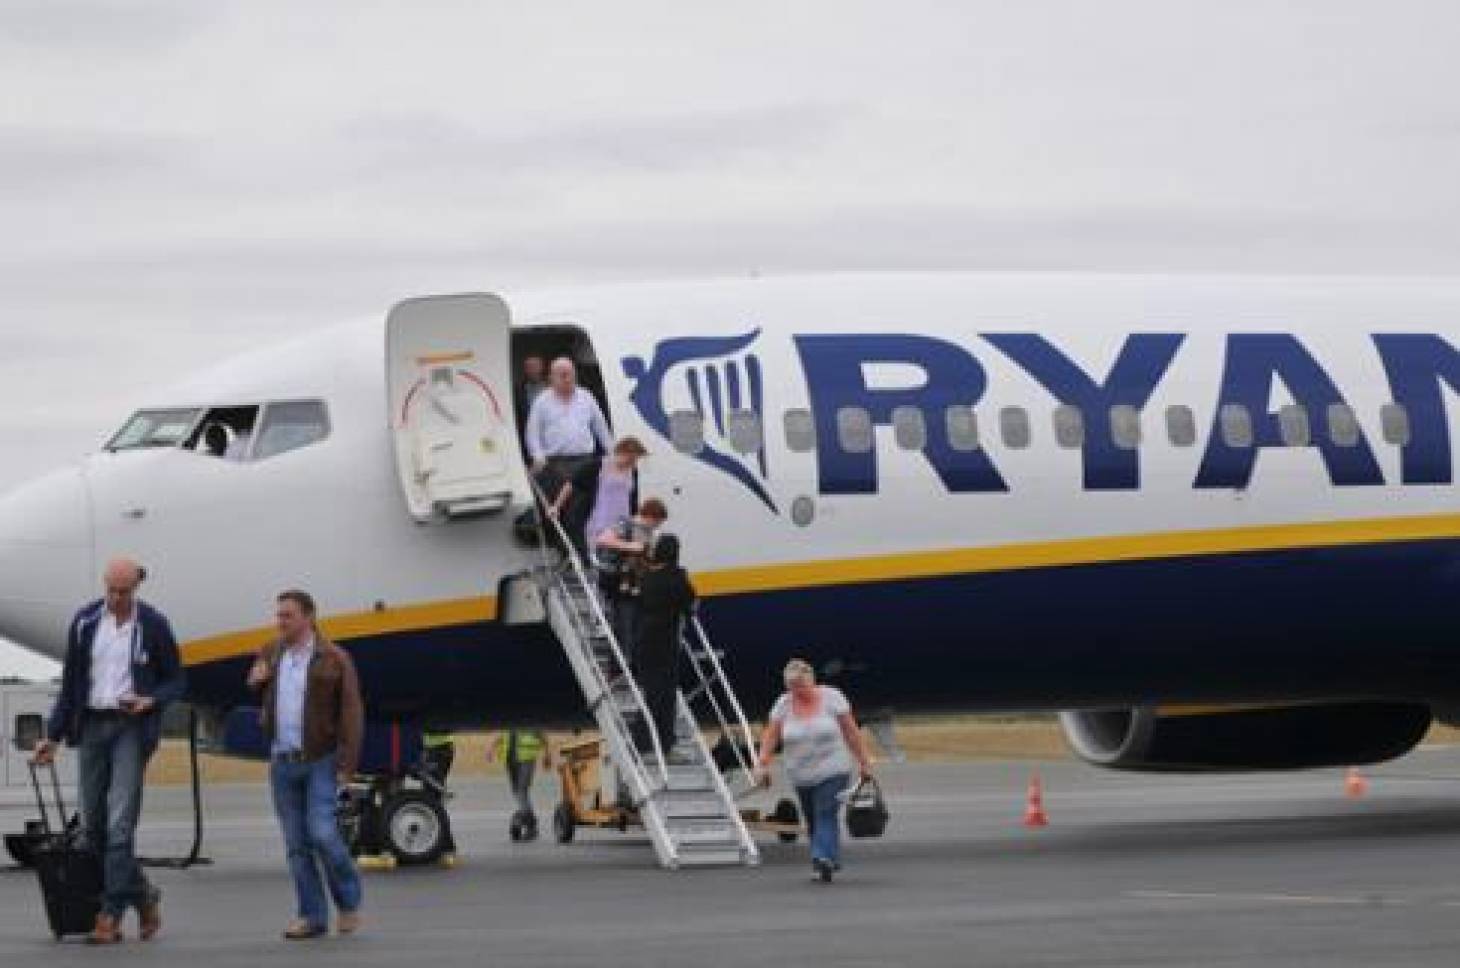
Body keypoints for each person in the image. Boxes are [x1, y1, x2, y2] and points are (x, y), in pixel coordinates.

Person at [34, 558, 185, 944]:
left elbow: (176, 680)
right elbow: (71, 685)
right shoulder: (85, 622)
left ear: (136, 588)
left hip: (130, 729)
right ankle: (144, 895)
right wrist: (51, 736)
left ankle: (110, 914)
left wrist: (151, 700)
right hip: (92, 727)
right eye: (111, 590)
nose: (117, 598)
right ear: (105, 586)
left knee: (120, 826)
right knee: (92, 829)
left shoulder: (152, 623)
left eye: (124, 591)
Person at [247, 590, 365, 940]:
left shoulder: (334, 658)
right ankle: (311, 916)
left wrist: (348, 762)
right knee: (297, 846)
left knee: (323, 835)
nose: (280, 621)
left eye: (287, 615)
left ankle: (348, 901)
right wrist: (255, 681)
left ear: (309, 617)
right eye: (278, 615)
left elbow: (352, 712)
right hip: (283, 762)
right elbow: (256, 684)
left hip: (320, 760)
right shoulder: (271, 651)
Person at [753, 659, 876, 883]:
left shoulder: (832, 698)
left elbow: (851, 732)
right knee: (813, 818)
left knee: (825, 813)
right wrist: (762, 763)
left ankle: (822, 857)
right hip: (800, 773)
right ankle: (828, 860)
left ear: (811, 680)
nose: (797, 690)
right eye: (792, 686)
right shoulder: (783, 704)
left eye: (801, 685)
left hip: (833, 768)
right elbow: (772, 735)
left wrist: (864, 762)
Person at [524, 356, 614, 560]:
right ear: (551, 377)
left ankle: (583, 555)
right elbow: (532, 433)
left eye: (570, 374)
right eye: (562, 375)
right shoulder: (542, 401)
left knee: (582, 509)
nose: (567, 378)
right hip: (556, 464)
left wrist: (612, 453)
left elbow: (601, 427)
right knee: (563, 511)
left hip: (585, 461)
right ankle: (570, 555)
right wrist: (538, 456)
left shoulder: (586, 397)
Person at [633, 534, 696, 761]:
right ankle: (661, 744)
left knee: (651, 693)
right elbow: (690, 603)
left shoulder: (647, 578)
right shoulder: (677, 577)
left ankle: (644, 742)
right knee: (665, 696)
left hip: (644, 641)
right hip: (665, 642)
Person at [593, 497, 668, 668]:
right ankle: (617, 668)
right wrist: (630, 546)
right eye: (657, 523)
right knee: (623, 626)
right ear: (650, 516)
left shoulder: (648, 532)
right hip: (618, 583)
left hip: (636, 585)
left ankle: (633, 667)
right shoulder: (625, 523)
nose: (657, 527)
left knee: (636, 627)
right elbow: (603, 540)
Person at [489, 729, 550, 838]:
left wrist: (547, 755)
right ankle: (530, 823)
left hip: (526, 758)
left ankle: (529, 821)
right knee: (517, 791)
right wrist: (492, 748)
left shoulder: (530, 718)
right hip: (510, 759)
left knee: (522, 791)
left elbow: (542, 736)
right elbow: (503, 734)